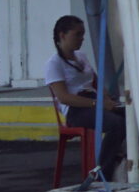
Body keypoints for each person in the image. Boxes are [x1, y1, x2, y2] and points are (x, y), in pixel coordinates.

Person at [43, 14, 125, 179]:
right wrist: (97, 103)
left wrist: (106, 98)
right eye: (77, 34)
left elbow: (95, 81)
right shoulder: (54, 63)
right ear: (62, 35)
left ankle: (129, 163)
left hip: (93, 100)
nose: (81, 39)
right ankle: (102, 173)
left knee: (132, 119)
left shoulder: (81, 56)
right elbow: (64, 97)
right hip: (76, 109)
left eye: (83, 34)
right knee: (116, 124)